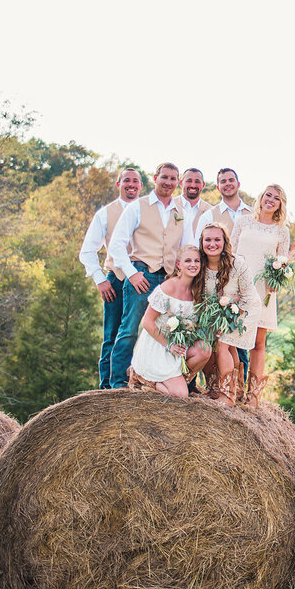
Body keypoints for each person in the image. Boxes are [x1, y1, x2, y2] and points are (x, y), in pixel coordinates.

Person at [107, 162, 188, 388]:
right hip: (141, 275)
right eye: (164, 177)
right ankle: (118, 385)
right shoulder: (137, 207)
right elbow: (116, 245)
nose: (168, 182)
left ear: (177, 182)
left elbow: (186, 245)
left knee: (167, 330)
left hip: (168, 280)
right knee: (130, 329)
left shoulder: (181, 212)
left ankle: (154, 379)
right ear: (155, 178)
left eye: (173, 179)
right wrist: (132, 274)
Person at [77, 166, 142, 389]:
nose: (131, 185)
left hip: (145, 280)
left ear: (141, 186)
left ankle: (136, 381)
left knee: (138, 334)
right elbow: (87, 251)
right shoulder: (105, 213)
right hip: (116, 279)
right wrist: (100, 279)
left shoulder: (147, 210)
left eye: (135, 181)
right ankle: (107, 387)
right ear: (118, 184)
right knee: (112, 335)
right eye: (126, 181)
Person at [229, 184, 290, 408]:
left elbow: (282, 260)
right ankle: (233, 389)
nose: (271, 200)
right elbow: (231, 252)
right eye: (268, 195)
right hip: (238, 286)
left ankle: (253, 396)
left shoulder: (282, 230)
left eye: (277, 198)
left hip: (264, 290)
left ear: (281, 204)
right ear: (261, 197)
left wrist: (278, 279)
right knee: (230, 338)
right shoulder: (243, 221)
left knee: (258, 343)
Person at [127, 245, 213, 396]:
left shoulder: (197, 290)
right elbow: (147, 322)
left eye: (196, 261)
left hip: (179, 345)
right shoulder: (168, 287)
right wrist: (169, 345)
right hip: (159, 345)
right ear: (179, 265)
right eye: (188, 261)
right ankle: (146, 381)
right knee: (181, 395)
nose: (193, 264)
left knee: (205, 350)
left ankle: (179, 380)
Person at [198, 222, 263, 406]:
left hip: (245, 310)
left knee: (222, 344)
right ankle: (223, 389)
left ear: (224, 241)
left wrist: (232, 316)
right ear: (201, 242)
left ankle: (227, 396)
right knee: (218, 344)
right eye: (207, 240)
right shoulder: (200, 264)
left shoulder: (237, 263)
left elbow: (249, 296)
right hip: (217, 315)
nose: (212, 244)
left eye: (217, 239)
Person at [193, 167, 253, 242]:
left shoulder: (254, 214)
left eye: (231, 180)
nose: (228, 184)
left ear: (238, 184)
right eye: (223, 181)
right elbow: (198, 245)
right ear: (218, 187)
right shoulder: (208, 217)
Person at [179, 168, 212, 242]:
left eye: (197, 182)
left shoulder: (211, 211)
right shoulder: (170, 206)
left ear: (203, 185)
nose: (193, 185)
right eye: (189, 181)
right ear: (181, 183)